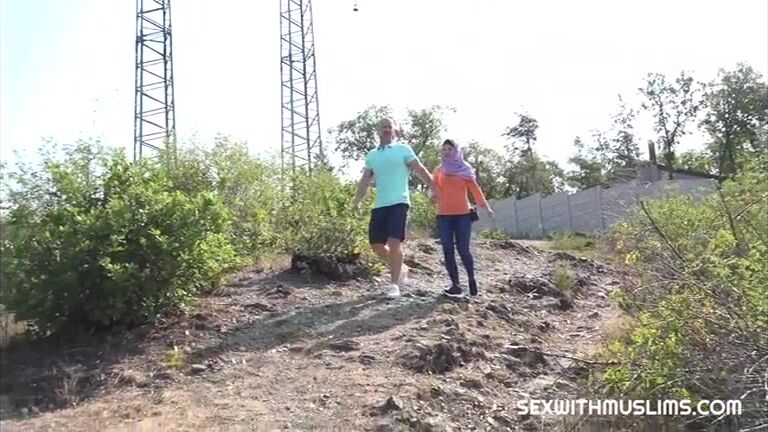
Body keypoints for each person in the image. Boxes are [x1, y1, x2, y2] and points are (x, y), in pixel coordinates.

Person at [353, 118, 439, 298]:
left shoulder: (403, 150)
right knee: (376, 245)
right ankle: (401, 268)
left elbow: (420, 169)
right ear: (378, 131)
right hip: (380, 204)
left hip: (400, 202)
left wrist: (434, 188)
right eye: (383, 127)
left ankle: (394, 285)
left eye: (389, 127)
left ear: (394, 130)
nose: (386, 129)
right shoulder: (372, 155)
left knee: (394, 242)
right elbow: (365, 180)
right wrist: (357, 200)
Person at [432, 139, 494, 298]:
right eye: (444, 149)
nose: (447, 152)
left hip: (463, 215)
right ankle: (455, 285)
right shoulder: (439, 170)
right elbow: (434, 189)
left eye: (450, 149)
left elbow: (475, 190)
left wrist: (486, 207)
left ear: (456, 151)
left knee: (463, 249)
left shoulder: (464, 169)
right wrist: (432, 196)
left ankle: (472, 279)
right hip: (444, 215)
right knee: (447, 249)